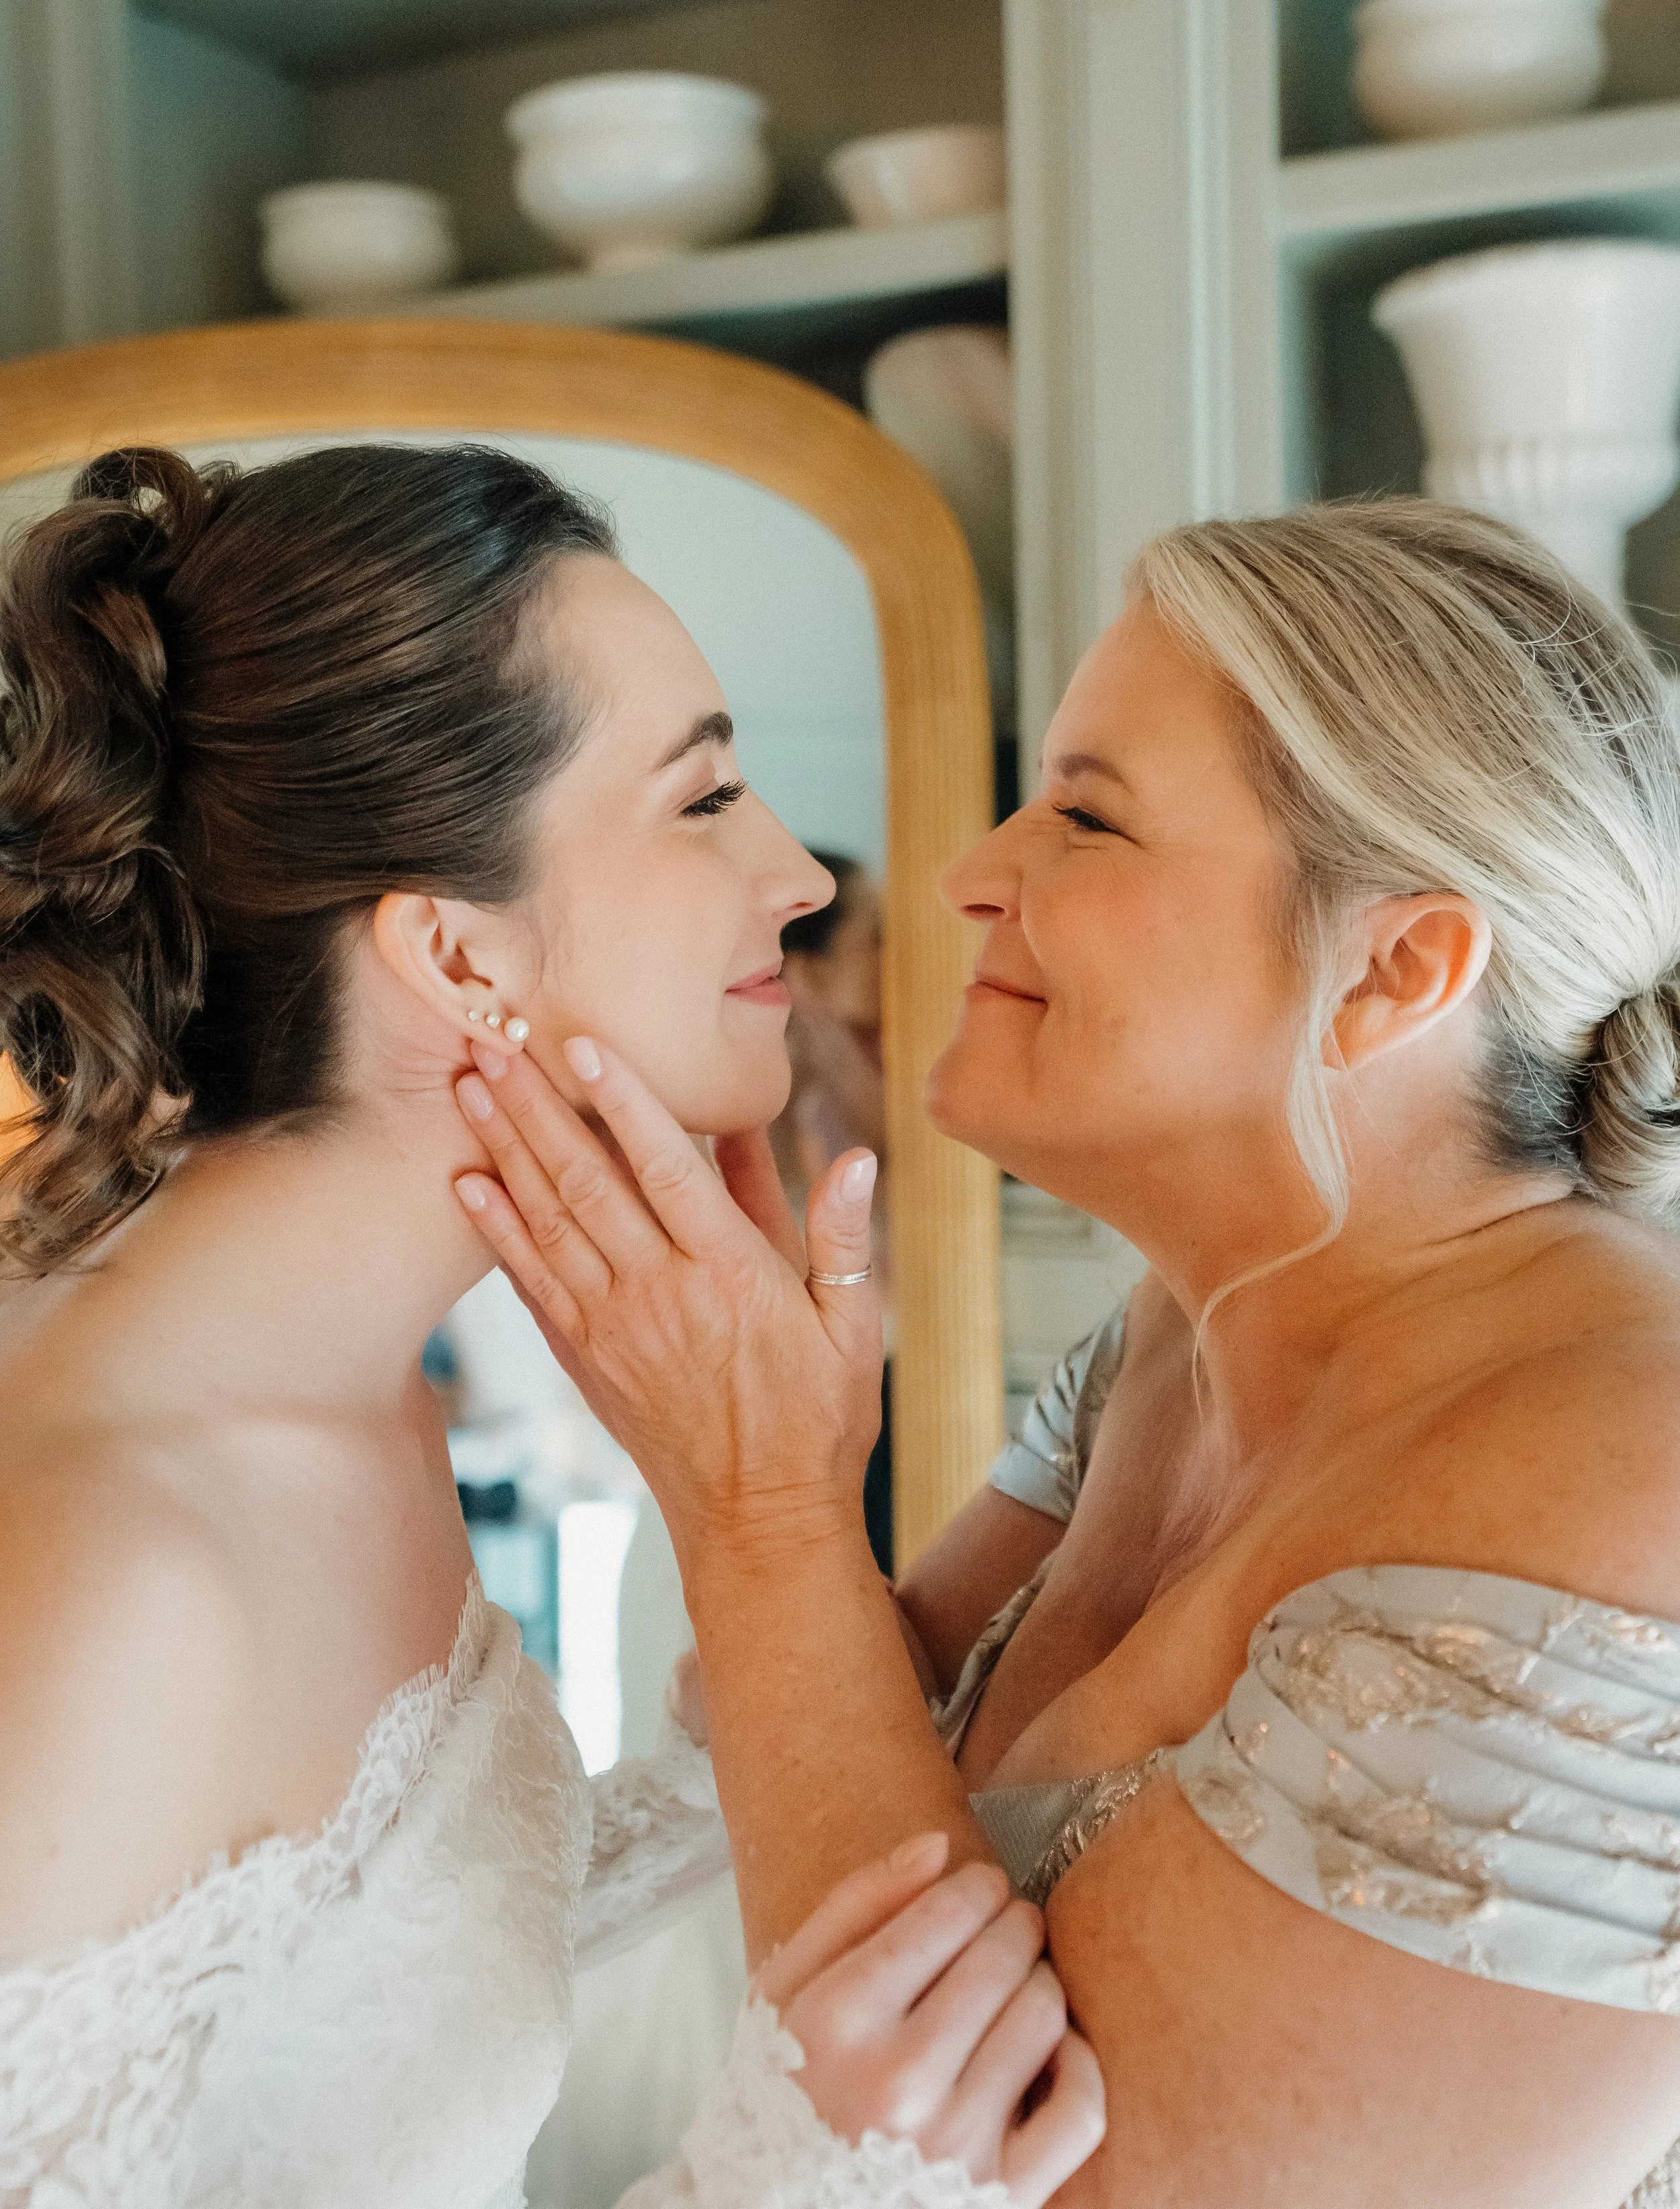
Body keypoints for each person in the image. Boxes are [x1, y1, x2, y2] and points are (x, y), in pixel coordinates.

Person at [463, 496, 1680, 2208]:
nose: (972, 873)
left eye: (1088, 818)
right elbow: (846, 1741)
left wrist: (757, 1501)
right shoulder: (1178, 1343)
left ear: (1395, 968)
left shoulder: (1622, 1481)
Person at [0, 444, 1104, 2208]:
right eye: (702, 796)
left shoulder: (347, 1388)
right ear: (454, 955)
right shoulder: (121, 1553)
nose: (797, 876)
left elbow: (342, 1970)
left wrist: (763, 1665)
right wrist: (788, 2177)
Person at [773, 851, 896, 1569]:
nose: (899, 953)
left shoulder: (874, 1075)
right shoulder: (777, 1102)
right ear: (808, 973)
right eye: (875, 937)